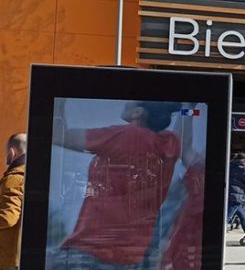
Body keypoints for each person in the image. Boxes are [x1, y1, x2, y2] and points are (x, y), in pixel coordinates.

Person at [53, 101, 183, 268]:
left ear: (138, 112)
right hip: (128, 257)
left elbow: (57, 136)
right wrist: (189, 110)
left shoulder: (127, 135)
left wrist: (60, 100)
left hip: (91, 251)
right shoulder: (169, 145)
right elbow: (182, 133)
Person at [1, 134, 27, 270]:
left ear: (12, 152)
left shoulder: (14, 178)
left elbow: (8, 217)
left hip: (7, 260)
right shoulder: (29, 176)